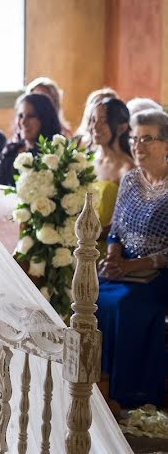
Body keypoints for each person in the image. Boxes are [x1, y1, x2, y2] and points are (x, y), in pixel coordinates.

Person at [97, 109, 168, 409]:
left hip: (159, 275)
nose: (139, 146)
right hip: (124, 268)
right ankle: (94, 381)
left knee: (124, 304)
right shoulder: (130, 180)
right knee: (91, 294)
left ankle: (125, 391)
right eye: (135, 138)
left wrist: (132, 266)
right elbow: (116, 231)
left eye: (148, 139)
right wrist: (113, 258)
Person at [84, 97, 134, 229]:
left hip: (104, 244)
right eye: (93, 120)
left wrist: (86, 236)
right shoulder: (85, 161)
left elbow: (121, 222)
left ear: (122, 128)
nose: (95, 127)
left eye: (104, 121)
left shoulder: (127, 168)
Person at [0, 93, 62, 186]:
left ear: (44, 119)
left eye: (31, 116)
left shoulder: (54, 156)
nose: (23, 122)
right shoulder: (10, 151)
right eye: (20, 116)